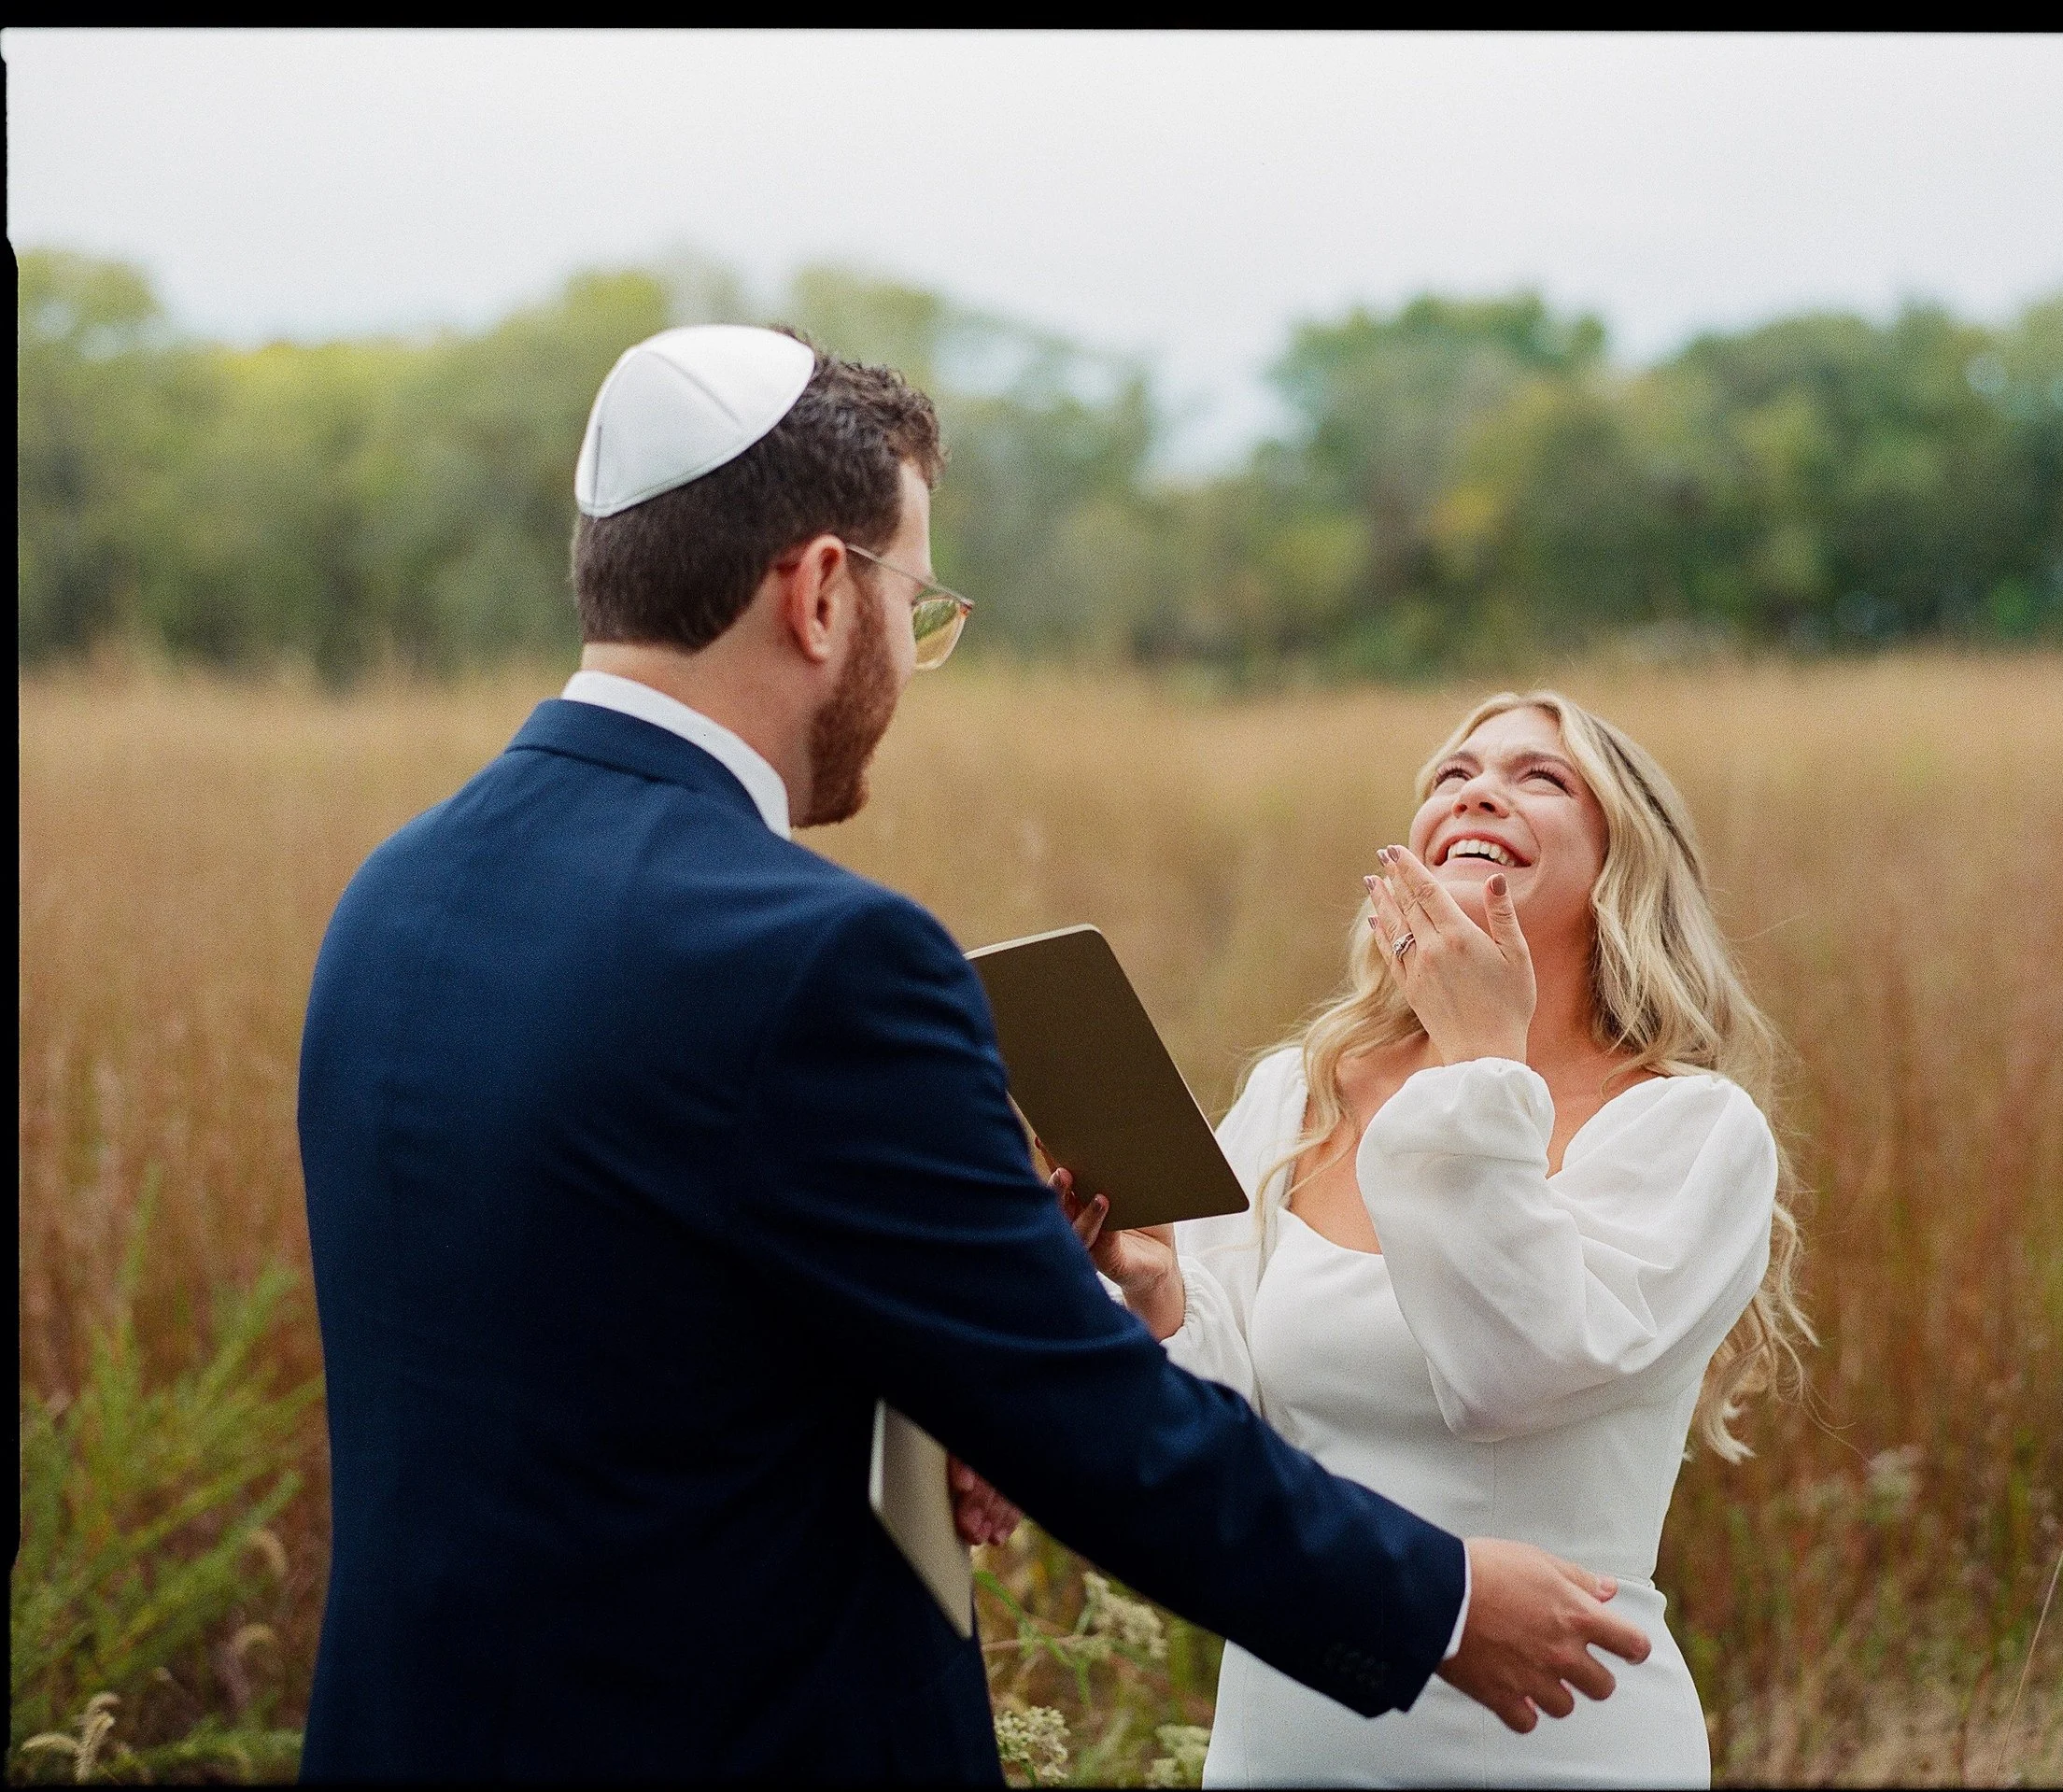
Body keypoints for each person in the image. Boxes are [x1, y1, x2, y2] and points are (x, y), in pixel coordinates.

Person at [295, 326, 1649, 1783]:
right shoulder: (820, 953)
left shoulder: (394, 894)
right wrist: (1440, 1601)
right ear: (821, 592)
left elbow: (611, 1340)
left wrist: (914, 1384)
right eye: (916, 603)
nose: (913, 656)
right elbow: (1094, 1428)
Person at [1065, 689, 1810, 1785]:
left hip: (1557, 1745)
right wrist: (1154, 1289)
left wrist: (1479, 1064)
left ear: (1623, 862)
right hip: (1284, 1743)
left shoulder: (1694, 1131)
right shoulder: (1299, 1092)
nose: (1477, 791)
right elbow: (1220, 1434)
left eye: (1539, 776)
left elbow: (1509, 1371)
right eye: (1451, 775)